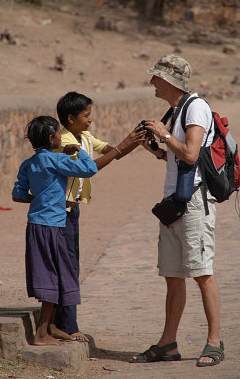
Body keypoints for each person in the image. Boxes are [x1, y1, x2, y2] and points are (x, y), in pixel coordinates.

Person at [131, 54, 224, 367]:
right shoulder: (175, 110)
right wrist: (154, 147)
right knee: (173, 275)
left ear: (169, 81)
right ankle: (168, 343)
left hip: (195, 202)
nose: (151, 83)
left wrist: (163, 132)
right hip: (175, 202)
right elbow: (175, 157)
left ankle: (214, 342)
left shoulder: (195, 107)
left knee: (202, 273)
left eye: (155, 78)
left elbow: (190, 154)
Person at [53, 91, 144, 342]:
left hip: (72, 210)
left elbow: (112, 151)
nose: (90, 120)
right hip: (61, 211)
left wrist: (134, 142)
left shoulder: (83, 136)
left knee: (71, 264)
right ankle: (68, 327)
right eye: (86, 115)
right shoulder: (65, 141)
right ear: (71, 118)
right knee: (68, 266)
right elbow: (89, 169)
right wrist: (125, 144)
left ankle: (63, 322)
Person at [12, 115, 98, 346]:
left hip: (35, 224)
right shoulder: (55, 160)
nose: (61, 136)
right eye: (59, 133)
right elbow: (90, 169)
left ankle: (51, 326)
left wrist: (42, 199)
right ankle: (41, 334)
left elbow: (18, 195)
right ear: (52, 138)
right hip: (53, 226)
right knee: (53, 274)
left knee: (51, 272)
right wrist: (78, 150)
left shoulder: (28, 164)